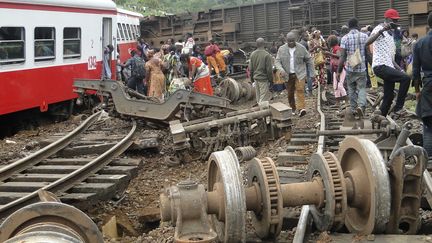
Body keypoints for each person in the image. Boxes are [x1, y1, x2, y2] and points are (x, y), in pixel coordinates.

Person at [366, 8, 410, 118]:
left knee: (389, 97)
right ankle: (399, 108)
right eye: (393, 20)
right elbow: (367, 42)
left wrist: (400, 69)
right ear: (387, 19)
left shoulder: (391, 36)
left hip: (388, 66)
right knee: (405, 78)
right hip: (380, 66)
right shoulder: (379, 28)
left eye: (396, 21)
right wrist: (382, 31)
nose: (395, 23)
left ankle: (381, 117)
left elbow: (391, 59)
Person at [275, 32, 314, 117]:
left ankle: (301, 109)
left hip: (299, 73)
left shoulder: (301, 48)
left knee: (300, 90)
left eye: (292, 41)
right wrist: (281, 69)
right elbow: (277, 61)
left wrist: (312, 73)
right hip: (287, 75)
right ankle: (293, 108)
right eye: (289, 41)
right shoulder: (281, 49)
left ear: (295, 40)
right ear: (286, 40)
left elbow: (309, 60)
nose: (291, 43)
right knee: (290, 93)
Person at [338, 18, 369, 117]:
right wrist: (372, 66)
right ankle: (361, 106)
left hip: (350, 68)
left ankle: (353, 108)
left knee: (351, 89)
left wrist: (339, 71)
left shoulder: (344, 38)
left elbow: (342, 57)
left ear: (348, 26)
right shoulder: (365, 36)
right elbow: (368, 53)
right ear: (357, 24)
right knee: (362, 88)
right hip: (362, 68)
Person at [413, 12, 432, 161]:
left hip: (428, 86)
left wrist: (417, 91)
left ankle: (428, 161)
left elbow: (415, 70)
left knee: (428, 124)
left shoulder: (419, 43)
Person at [249, 38, 274, 104]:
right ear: (264, 44)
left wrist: (252, 79)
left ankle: (259, 111)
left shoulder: (252, 54)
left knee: (259, 98)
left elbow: (250, 69)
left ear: (256, 44)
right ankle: (262, 113)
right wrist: (271, 81)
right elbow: (269, 70)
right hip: (263, 79)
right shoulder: (266, 55)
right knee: (263, 100)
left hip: (256, 79)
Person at [326, 35, 347, 106]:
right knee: (335, 86)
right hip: (335, 70)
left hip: (340, 69)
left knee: (340, 85)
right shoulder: (332, 48)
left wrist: (329, 54)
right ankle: (337, 102)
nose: (328, 43)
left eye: (328, 41)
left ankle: (346, 102)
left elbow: (339, 56)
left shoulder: (337, 48)